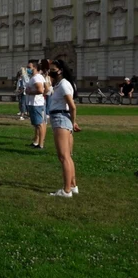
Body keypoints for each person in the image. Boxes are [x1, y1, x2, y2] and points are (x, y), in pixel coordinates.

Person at [47, 60, 81, 198]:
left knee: (64, 156)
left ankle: (66, 190)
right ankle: (72, 185)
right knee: (68, 156)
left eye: (53, 69)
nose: (50, 71)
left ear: (60, 70)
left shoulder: (64, 85)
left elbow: (72, 106)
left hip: (61, 118)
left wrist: (73, 123)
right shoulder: (60, 84)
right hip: (61, 117)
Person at [26, 60, 47, 150]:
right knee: (37, 124)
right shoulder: (38, 77)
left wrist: (30, 92)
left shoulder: (36, 78)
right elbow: (47, 88)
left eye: (29, 67)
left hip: (36, 104)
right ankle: (36, 142)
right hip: (37, 103)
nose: (27, 69)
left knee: (39, 124)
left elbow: (40, 90)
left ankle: (40, 144)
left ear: (34, 68)